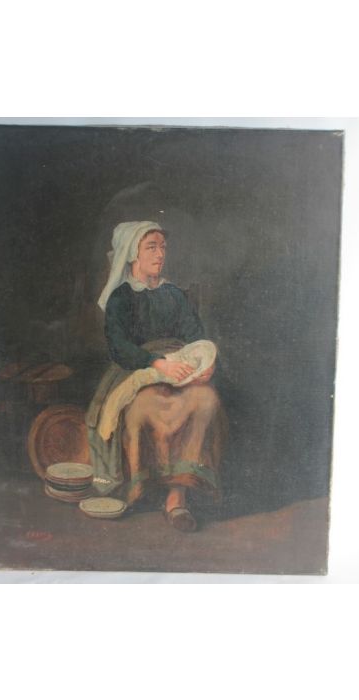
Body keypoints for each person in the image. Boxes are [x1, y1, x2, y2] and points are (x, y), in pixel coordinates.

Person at [86, 221, 226, 532]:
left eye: (162, 247)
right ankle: (142, 486)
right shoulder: (121, 298)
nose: (160, 254)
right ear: (132, 253)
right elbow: (120, 347)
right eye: (152, 247)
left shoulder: (173, 294)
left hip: (182, 368)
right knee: (143, 405)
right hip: (137, 369)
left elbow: (195, 336)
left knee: (205, 399)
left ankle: (177, 497)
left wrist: (204, 362)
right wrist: (158, 364)